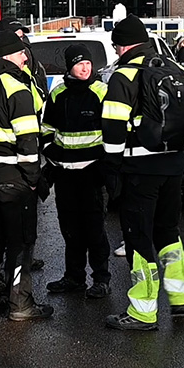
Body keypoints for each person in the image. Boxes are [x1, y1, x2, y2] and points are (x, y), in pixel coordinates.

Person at [101, 15, 184, 330]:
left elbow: (112, 128)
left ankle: (142, 311)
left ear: (122, 45)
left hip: (140, 168)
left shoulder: (124, 75)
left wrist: (111, 169)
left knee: (138, 238)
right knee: (168, 232)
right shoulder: (172, 67)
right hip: (174, 163)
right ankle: (179, 300)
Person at [0, 30, 52, 321]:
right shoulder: (16, 87)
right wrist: (31, 177)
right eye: (19, 53)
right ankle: (20, 304)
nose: (24, 56)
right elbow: (28, 140)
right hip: (12, 176)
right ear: (6, 56)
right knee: (20, 242)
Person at [42, 44, 112, 298]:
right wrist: (52, 152)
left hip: (91, 173)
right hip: (65, 173)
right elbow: (47, 127)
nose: (85, 68)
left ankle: (101, 279)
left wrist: (103, 165)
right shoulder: (58, 93)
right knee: (69, 229)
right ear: (70, 66)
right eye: (79, 63)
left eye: (88, 63)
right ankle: (74, 277)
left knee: (94, 230)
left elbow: (114, 131)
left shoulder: (102, 92)